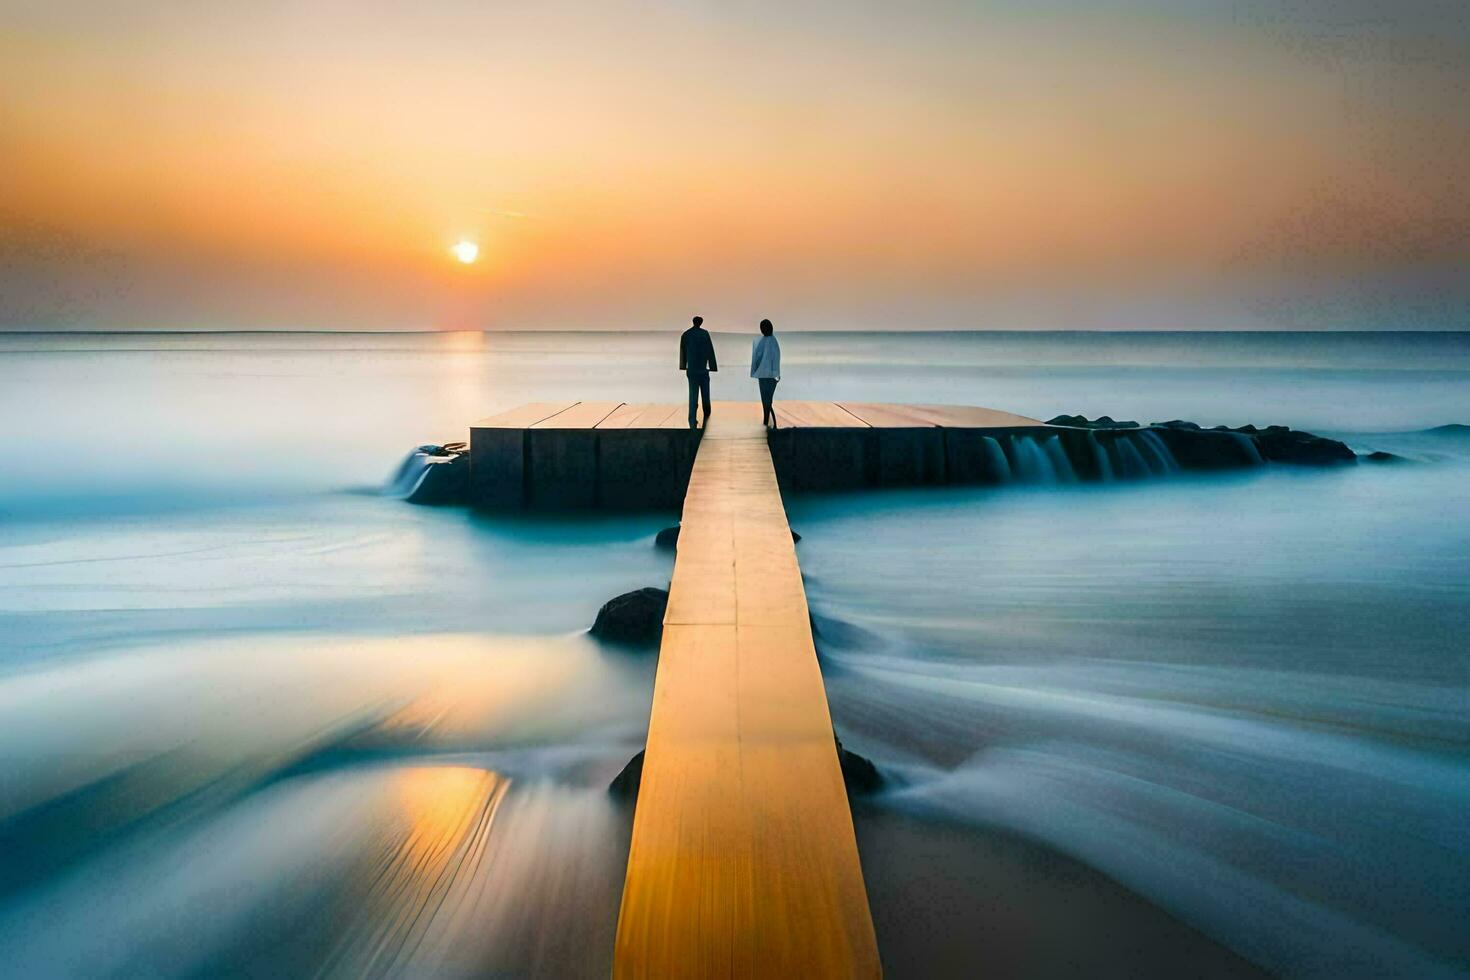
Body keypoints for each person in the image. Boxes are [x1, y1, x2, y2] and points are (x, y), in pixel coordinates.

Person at [679, 315, 718, 428]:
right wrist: (712, 366)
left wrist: (683, 365)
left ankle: (692, 419)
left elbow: (683, 351)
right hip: (702, 370)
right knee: (705, 394)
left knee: (693, 395)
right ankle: (707, 415)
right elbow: (710, 350)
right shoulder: (704, 334)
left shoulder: (686, 334)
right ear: (700, 323)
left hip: (691, 370)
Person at [750, 318, 781, 428]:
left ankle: (766, 418)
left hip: (762, 375)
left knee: (765, 398)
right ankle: (767, 418)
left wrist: (756, 369)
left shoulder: (761, 342)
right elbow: (776, 358)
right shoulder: (773, 341)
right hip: (770, 375)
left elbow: (757, 358)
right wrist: (776, 373)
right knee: (768, 398)